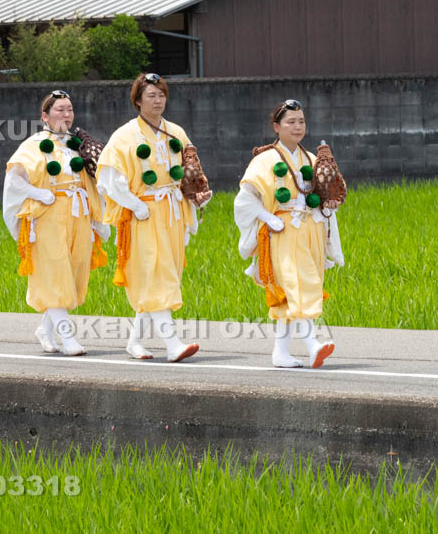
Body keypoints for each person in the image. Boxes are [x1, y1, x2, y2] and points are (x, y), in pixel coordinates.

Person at [96, 73, 211, 362]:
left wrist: (195, 197)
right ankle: (172, 343)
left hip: (172, 211)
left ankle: (135, 342)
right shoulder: (124, 136)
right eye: (151, 95)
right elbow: (110, 178)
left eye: (161, 95)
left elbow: (190, 170)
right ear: (137, 100)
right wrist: (134, 205)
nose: (158, 100)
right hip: (143, 214)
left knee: (161, 273)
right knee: (157, 273)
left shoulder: (176, 132)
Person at [234, 99, 344, 368]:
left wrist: (331, 202)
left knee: (297, 286)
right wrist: (268, 218)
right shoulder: (265, 160)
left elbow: (328, 193)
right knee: (298, 282)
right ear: (276, 127)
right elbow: (244, 200)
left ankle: (280, 353)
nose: (297, 127)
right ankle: (312, 344)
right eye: (291, 122)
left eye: (301, 121)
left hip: (312, 228)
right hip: (283, 232)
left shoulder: (313, 159)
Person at [3, 90, 110, 356]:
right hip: (48, 214)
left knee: (73, 273)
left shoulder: (79, 144)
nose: (66, 114)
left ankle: (45, 329)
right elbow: (14, 178)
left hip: (79, 213)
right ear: (45, 116)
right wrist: (38, 193)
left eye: (70, 109)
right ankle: (67, 337)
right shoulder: (33, 144)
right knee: (54, 272)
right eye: (60, 109)